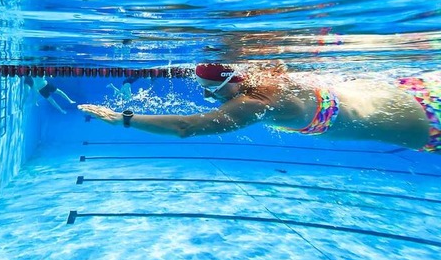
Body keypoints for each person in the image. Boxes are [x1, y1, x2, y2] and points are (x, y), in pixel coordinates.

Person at [78, 63, 440, 153]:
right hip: (416, 91)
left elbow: (186, 126)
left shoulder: (256, 102)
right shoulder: (268, 73)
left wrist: (122, 118)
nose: (210, 100)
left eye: (210, 93)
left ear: (229, 83)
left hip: (428, 122)